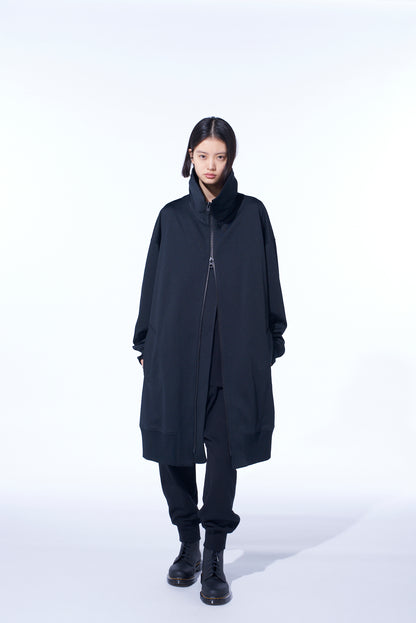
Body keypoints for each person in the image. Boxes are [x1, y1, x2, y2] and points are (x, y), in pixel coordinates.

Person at [132, 116, 287, 606]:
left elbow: (269, 278)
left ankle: (215, 552)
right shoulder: (172, 218)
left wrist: (273, 336)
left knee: (224, 454)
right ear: (190, 157)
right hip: (176, 353)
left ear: (231, 158)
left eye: (220, 156)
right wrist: (145, 341)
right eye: (203, 156)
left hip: (232, 356)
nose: (212, 165)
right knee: (173, 448)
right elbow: (153, 283)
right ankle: (188, 544)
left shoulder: (252, 214)